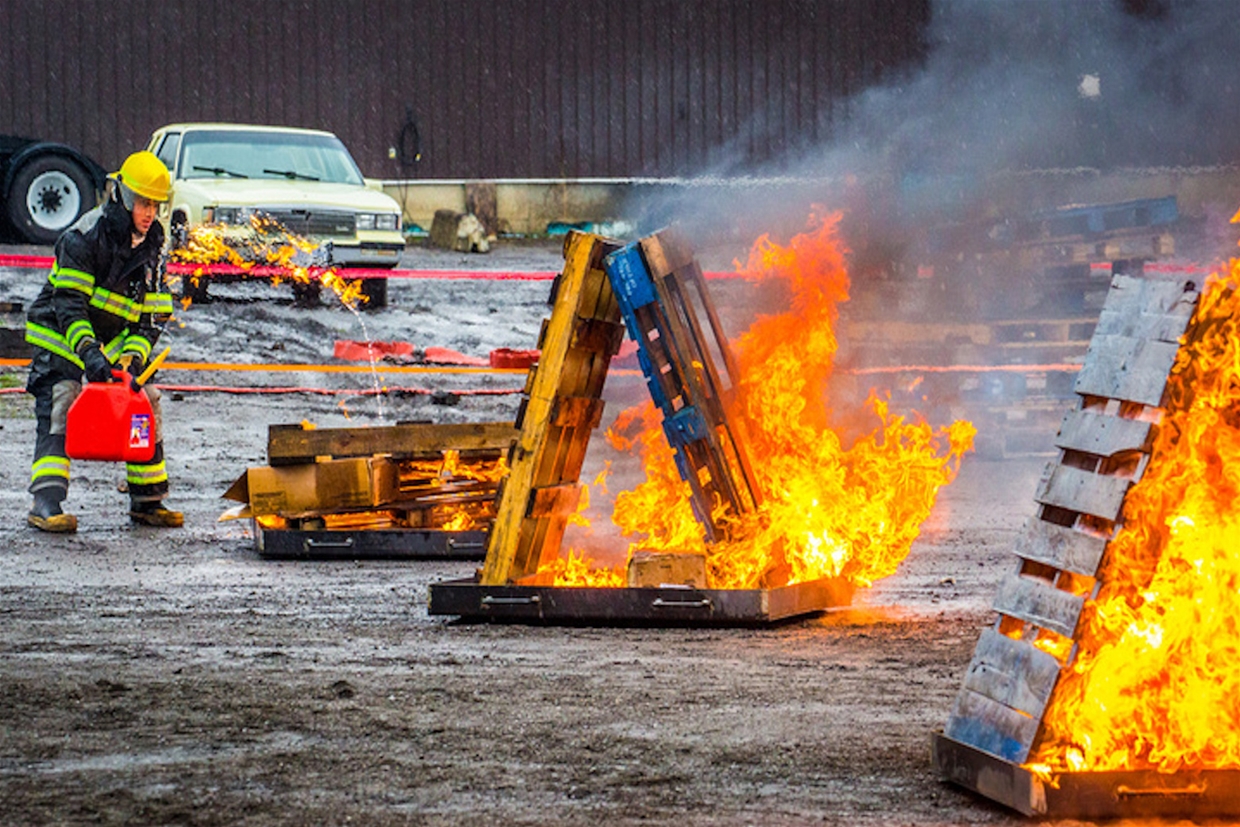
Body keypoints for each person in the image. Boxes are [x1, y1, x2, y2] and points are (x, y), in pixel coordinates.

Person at [24, 150, 182, 532]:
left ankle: (148, 501)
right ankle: (46, 503)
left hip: (108, 347)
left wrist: (131, 358)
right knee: (62, 398)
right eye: (143, 203)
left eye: (156, 205)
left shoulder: (153, 247)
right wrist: (89, 355)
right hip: (62, 339)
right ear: (124, 198)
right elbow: (69, 306)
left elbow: (154, 316)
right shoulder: (83, 237)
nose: (149, 213)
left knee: (146, 402)